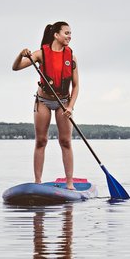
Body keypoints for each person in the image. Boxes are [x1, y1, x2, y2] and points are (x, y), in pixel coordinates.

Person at [12, 21, 80, 189]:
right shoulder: (41, 54)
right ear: (56, 35)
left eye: (70, 33)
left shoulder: (71, 57)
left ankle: (70, 183)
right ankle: (37, 182)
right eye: (66, 33)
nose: (69, 36)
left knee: (65, 141)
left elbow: (76, 85)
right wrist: (21, 55)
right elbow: (16, 67)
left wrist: (70, 107)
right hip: (43, 101)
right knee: (41, 141)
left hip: (63, 103)